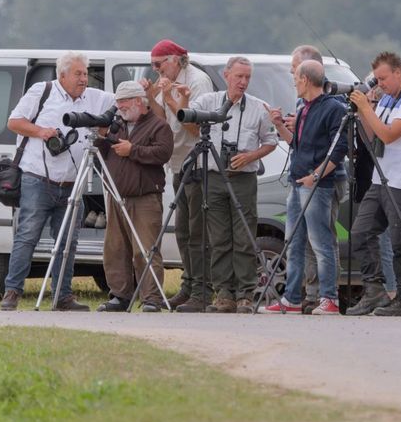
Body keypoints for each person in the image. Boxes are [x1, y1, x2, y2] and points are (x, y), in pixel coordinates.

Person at [0, 51, 115, 311]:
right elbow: (14, 122)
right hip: (37, 179)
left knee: (68, 242)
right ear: (62, 74)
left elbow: (122, 103)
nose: (84, 79)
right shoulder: (43, 91)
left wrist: (142, 91)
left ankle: (62, 296)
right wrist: (42, 131)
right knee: (27, 236)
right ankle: (11, 292)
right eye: (78, 74)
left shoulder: (95, 98)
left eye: (85, 73)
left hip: (72, 184)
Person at [189, 56, 277, 313]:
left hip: (243, 178)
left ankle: (245, 294)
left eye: (247, 77)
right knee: (219, 238)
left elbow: (270, 142)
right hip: (214, 175)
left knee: (244, 236)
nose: (243, 82)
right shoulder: (209, 101)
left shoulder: (259, 107)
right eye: (239, 76)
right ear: (227, 75)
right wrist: (177, 99)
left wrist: (250, 156)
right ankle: (224, 293)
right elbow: (188, 119)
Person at [346, 51, 401, 316]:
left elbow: (389, 135)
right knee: (360, 231)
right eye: (377, 79)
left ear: (398, 73)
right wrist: (362, 112)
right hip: (380, 178)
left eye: (383, 78)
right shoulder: (385, 100)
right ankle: (374, 290)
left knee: (400, 240)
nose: (380, 84)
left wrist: (368, 109)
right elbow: (372, 136)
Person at [260, 60, 346, 315]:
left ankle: (329, 297)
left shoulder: (333, 108)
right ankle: (292, 298)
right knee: (293, 241)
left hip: (316, 185)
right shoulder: (303, 108)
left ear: (306, 80)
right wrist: (278, 125)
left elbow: (338, 149)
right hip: (297, 182)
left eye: (296, 79)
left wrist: (316, 176)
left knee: (320, 242)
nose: (294, 83)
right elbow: (296, 145)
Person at [140, 38, 213, 313]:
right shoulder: (167, 80)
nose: (156, 70)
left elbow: (196, 128)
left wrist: (170, 98)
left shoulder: (196, 81)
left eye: (158, 64)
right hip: (178, 163)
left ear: (174, 59)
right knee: (183, 231)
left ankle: (202, 291)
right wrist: (151, 97)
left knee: (197, 231)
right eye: (153, 66)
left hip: (197, 162)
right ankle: (188, 285)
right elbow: (161, 118)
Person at [96, 81, 174, 313]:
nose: (119, 106)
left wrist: (133, 151)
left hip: (145, 197)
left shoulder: (159, 126)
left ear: (139, 101)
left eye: (124, 101)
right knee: (115, 248)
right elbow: (102, 155)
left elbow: (163, 153)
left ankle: (151, 298)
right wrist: (101, 137)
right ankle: (120, 296)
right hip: (117, 196)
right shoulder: (116, 126)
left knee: (145, 249)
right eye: (118, 102)